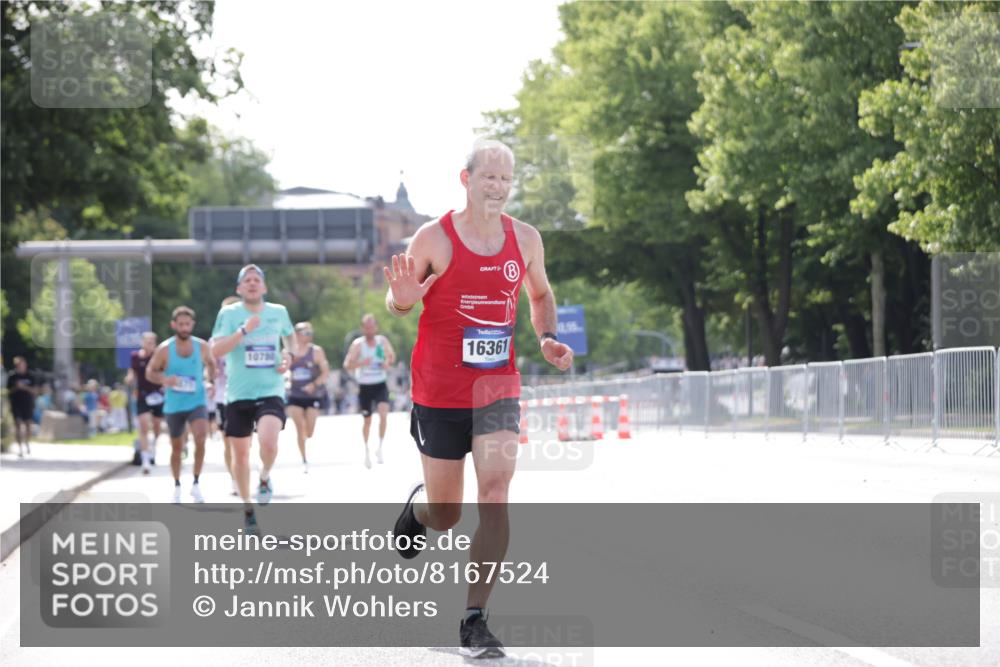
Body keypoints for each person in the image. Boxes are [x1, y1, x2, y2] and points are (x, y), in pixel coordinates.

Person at [384, 138, 573, 658]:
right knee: (448, 511)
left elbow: (539, 294)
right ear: (465, 180)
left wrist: (547, 336)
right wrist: (401, 301)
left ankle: (475, 618)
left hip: (496, 388)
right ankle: (419, 512)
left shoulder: (526, 240)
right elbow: (400, 296)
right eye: (488, 177)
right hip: (439, 390)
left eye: (506, 179)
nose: (498, 187)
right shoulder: (434, 238)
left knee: (494, 494)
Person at [211, 265, 296, 534]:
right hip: (238, 394)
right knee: (240, 453)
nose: (251, 284)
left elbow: (290, 337)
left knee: (268, 442)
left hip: (271, 389)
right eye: (246, 280)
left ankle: (264, 476)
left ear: (264, 287)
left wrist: (288, 356)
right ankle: (248, 509)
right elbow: (216, 350)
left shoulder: (278, 312)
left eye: (256, 280)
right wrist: (243, 331)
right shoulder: (229, 314)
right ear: (239, 288)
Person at [145, 306, 215, 504]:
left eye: (188, 324)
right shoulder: (165, 349)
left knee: (201, 438)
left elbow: (211, 364)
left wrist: (209, 381)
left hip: (197, 400)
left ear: (192, 324)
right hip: (174, 405)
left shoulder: (201, 346)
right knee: (176, 448)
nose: (184, 327)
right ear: (173, 325)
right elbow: (150, 372)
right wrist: (164, 379)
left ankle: (196, 483)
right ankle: (177, 486)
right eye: (181, 324)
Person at [343, 314, 396, 467]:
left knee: (383, 414)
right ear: (362, 328)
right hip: (365, 386)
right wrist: (361, 363)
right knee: (367, 421)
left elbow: (391, 357)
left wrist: (387, 363)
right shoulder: (358, 345)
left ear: (376, 327)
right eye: (366, 327)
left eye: (372, 327)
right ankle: (366, 450)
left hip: (380, 383)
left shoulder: (382, 341)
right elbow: (347, 365)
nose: (369, 330)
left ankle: (380, 447)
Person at [286, 321, 330, 473]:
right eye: (306, 333)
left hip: (312, 395)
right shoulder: (289, 351)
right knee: (299, 426)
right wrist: (287, 376)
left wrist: (314, 384)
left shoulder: (316, 351)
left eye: (311, 333)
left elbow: (325, 372)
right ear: (297, 334)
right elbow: (283, 369)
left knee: (309, 431)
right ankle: (304, 458)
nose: (310, 335)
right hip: (295, 394)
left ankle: (305, 440)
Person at [211, 295, 241, 496]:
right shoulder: (214, 341)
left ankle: (242, 473)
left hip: (245, 394)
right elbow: (209, 368)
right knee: (228, 440)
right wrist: (210, 377)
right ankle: (234, 478)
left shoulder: (249, 335)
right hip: (223, 397)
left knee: (244, 441)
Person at [126, 332, 165, 474]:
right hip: (142, 395)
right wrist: (129, 378)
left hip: (157, 395)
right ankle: (145, 460)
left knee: (156, 426)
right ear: (142, 342)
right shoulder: (135, 357)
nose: (149, 344)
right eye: (147, 341)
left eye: (152, 341)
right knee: (143, 426)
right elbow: (132, 372)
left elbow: (165, 373)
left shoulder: (159, 356)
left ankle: (153, 445)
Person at [6, 356, 38, 457]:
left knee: (28, 426)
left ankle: (27, 442)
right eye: (20, 365)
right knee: (18, 425)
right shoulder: (12, 376)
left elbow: (35, 391)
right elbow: (8, 391)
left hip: (27, 404)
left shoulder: (30, 376)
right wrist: (16, 387)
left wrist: (24, 387)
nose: (22, 366)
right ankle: (20, 449)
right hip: (16, 403)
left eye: (23, 364)